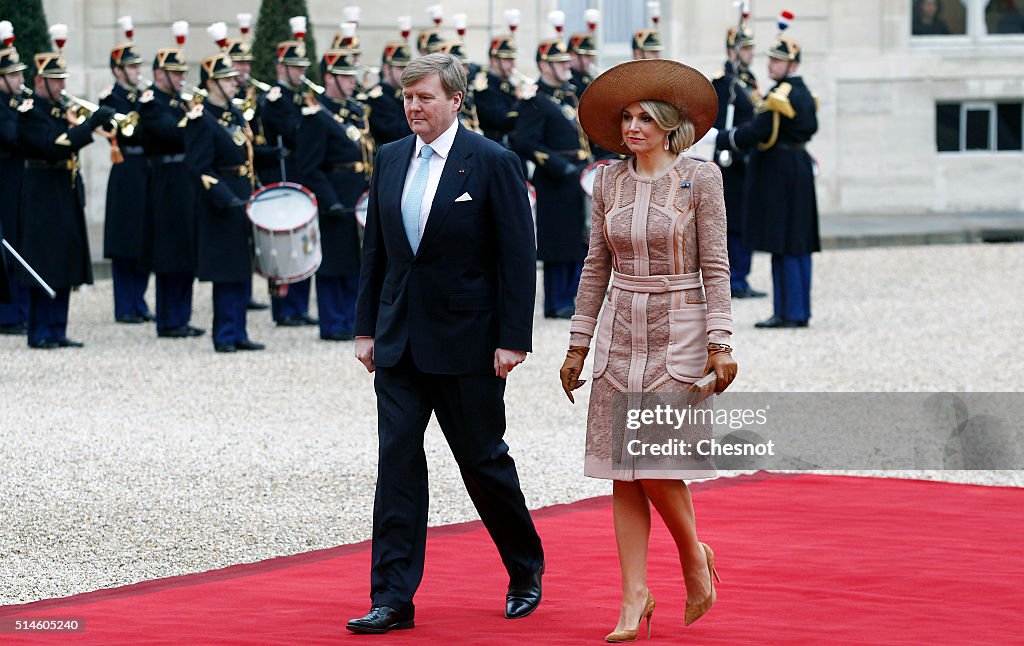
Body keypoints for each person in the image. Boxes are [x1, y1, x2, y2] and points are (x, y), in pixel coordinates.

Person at [348, 53, 544, 634]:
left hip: (468, 343)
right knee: (398, 465)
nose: (413, 107)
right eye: (407, 98)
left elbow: (517, 258)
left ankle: (525, 568)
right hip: (400, 343)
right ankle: (392, 597)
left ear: (455, 100)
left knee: (483, 463)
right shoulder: (387, 159)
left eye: (424, 98)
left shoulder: (491, 162)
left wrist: (513, 339)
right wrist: (366, 329)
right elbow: (376, 254)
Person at [563, 59, 738, 641]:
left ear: (670, 125)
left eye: (644, 117)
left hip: (680, 328)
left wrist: (721, 342)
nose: (632, 126)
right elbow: (596, 264)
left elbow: (715, 264)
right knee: (623, 470)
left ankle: (693, 555)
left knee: (658, 464)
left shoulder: (701, 179)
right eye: (626, 117)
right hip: (620, 330)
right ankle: (634, 594)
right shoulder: (608, 181)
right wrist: (577, 344)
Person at [716, 34, 820, 328]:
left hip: (780, 172)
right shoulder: (799, 91)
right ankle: (797, 310)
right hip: (795, 167)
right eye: (772, 59)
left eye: (778, 60)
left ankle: (789, 311)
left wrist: (720, 137)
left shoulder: (782, 94)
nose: (771, 64)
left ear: (793, 64)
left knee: (784, 241)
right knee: (796, 242)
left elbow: (756, 132)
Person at [17, 46, 114, 349]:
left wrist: (97, 123)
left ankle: (58, 327)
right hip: (41, 190)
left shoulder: (61, 110)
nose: (61, 86)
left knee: (64, 258)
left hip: (64, 187)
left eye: (62, 80)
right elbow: (54, 146)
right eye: (55, 80)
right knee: (44, 260)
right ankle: (40, 330)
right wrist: (89, 125)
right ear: (39, 81)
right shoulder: (30, 112)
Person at [184, 52, 264, 352]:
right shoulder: (200, 118)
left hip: (243, 193)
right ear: (211, 83)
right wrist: (225, 198)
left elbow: (247, 155)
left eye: (234, 78)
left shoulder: (235, 113)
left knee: (242, 267)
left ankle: (239, 330)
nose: (235, 82)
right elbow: (197, 167)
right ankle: (225, 333)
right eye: (228, 79)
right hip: (221, 201)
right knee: (227, 270)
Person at [296, 49, 372, 341]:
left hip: (357, 193)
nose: (351, 82)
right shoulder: (317, 115)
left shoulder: (352, 111)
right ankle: (332, 322)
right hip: (335, 195)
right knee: (333, 263)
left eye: (352, 76)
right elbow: (310, 166)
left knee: (357, 261)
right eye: (344, 77)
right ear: (329, 78)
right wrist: (330, 200)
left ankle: (354, 321)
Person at [512, 39, 589, 319]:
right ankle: (557, 301)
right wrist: (558, 165)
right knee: (558, 240)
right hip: (555, 178)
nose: (566, 66)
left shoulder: (569, 94)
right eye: (559, 62)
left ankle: (573, 297)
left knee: (580, 237)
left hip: (578, 174)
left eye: (567, 61)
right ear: (544, 65)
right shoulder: (535, 100)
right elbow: (525, 141)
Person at [138, 47, 204, 339]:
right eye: (175, 73)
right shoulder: (151, 102)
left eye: (182, 73)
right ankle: (168, 319)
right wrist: (195, 120)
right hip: (165, 180)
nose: (180, 78)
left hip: (185, 179)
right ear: (159, 75)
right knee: (168, 251)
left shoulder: (180, 102)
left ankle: (182, 316)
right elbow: (172, 134)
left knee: (186, 248)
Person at [260, 36, 317, 327]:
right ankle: (283, 307)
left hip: (302, 169)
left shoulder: (300, 98)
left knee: (304, 238)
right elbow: (293, 131)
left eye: (302, 67)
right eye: (295, 68)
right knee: (284, 240)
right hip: (284, 170)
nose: (300, 73)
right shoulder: (275, 99)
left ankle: (300, 305)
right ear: (281, 68)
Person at [101, 38, 154, 324]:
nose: (137, 71)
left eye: (138, 66)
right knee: (125, 238)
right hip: (126, 167)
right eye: (131, 67)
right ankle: (125, 304)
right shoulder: (111, 97)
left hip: (146, 166)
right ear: (118, 71)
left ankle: (140, 301)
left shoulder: (144, 96)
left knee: (144, 236)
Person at [712, 25, 766, 300]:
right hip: (731, 162)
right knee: (732, 222)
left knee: (747, 221)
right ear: (732, 50)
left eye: (751, 47)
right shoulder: (724, 84)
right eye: (745, 48)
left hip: (750, 160)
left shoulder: (748, 81)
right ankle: (732, 279)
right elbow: (718, 124)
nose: (750, 53)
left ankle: (743, 276)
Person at [0, 29, 29, 334]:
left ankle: (21, 310)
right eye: (13, 75)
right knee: (7, 250)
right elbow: (10, 136)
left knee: (22, 245)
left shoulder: (15, 104)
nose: (20, 80)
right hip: (4, 181)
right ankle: (7, 315)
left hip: (21, 181)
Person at [473, 35, 520, 147]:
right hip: (495, 146)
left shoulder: (509, 86)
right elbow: (503, 120)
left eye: (513, 59)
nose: (513, 64)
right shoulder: (484, 87)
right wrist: (522, 102)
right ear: (494, 60)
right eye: (507, 59)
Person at [366, 41, 413, 146]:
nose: (406, 73)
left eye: (407, 68)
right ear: (387, 68)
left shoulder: (400, 94)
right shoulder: (377, 98)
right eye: (401, 68)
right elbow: (397, 134)